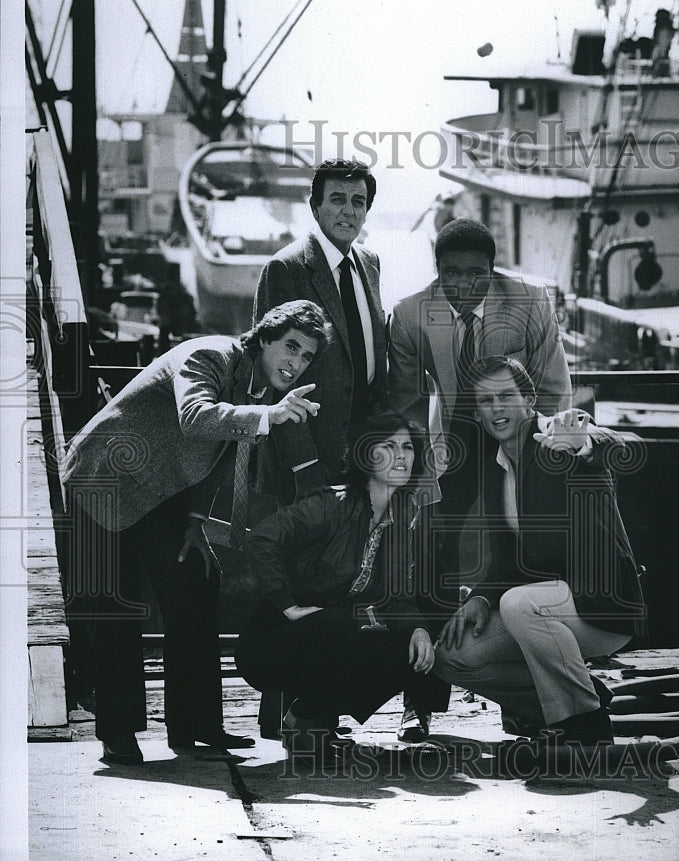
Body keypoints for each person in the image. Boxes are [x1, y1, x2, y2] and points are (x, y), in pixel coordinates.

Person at [60, 300, 331, 765]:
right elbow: (196, 416)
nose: (296, 361)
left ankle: (196, 727)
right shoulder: (208, 355)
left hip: (160, 493)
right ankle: (118, 733)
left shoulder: (259, 388)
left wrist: (195, 521)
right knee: (116, 605)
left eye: (306, 356)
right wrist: (268, 417)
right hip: (102, 480)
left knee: (197, 582)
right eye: (290, 346)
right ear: (264, 338)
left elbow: (219, 456)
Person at [388, 217, 573, 741]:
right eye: (452, 275)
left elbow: (555, 391)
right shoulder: (409, 316)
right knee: (432, 560)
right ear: (436, 270)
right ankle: (418, 703)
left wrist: (539, 457)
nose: (465, 285)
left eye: (476, 275)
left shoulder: (531, 302)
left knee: (521, 559)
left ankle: (528, 702)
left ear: (493, 271)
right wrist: (417, 467)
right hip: (453, 447)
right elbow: (403, 406)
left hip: (519, 438)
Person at [433, 356, 647, 750]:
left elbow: (621, 445)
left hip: (600, 605)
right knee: (451, 654)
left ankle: (585, 723)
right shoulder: (496, 466)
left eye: (505, 396)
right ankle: (575, 695)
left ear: (528, 397)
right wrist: (480, 598)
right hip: (543, 609)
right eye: (484, 400)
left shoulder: (554, 436)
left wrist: (584, 442)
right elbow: (509, 563)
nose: (496, 408)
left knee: (518, 605)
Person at [234, 412, 449, 762]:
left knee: (406, 650)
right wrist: (288, 605)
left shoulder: (401, 517)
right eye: (388, 445)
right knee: (340, 622)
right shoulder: (331, 504)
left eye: (408, 447)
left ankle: (309, 721)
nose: (401, 455)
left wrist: (420, 630)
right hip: (273, 641)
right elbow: (261, 539)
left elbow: (396, 599)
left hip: (329, 634)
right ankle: (306, 722)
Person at [253, 158, 389, 506]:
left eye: (358, 201)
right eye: (337, 199)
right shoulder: (286, 268)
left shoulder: (370, 264)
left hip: (361, 452)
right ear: (316, 208)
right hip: (306, 461)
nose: (348, 210)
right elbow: (271, 376)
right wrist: (304, 463)